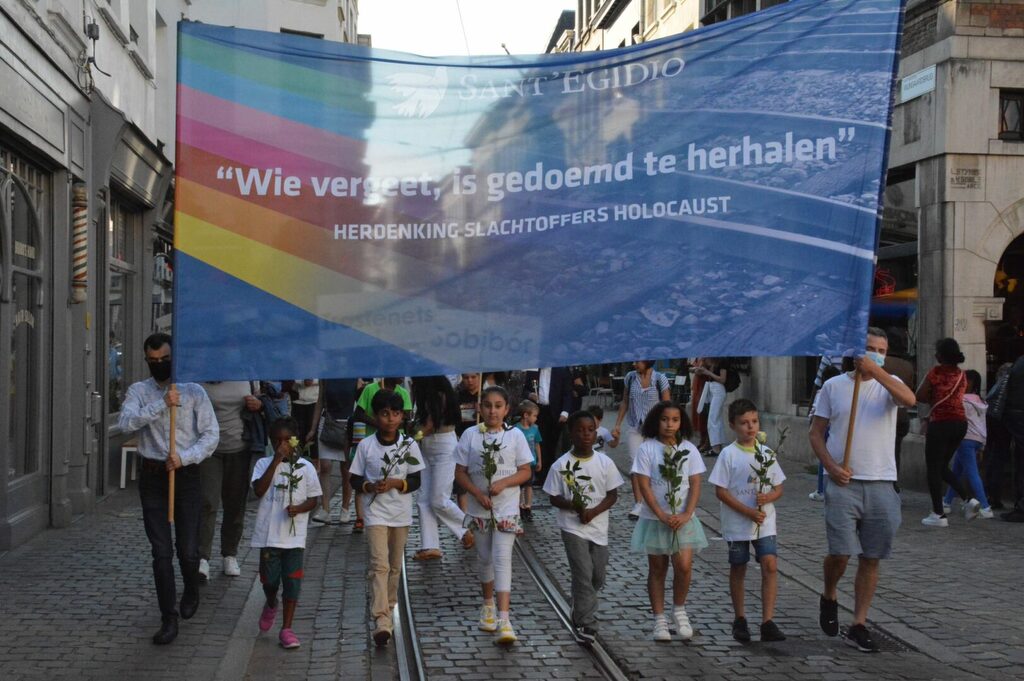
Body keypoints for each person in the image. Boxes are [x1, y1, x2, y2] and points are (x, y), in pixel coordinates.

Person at [809, 327, 916, 653]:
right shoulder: (833, 386)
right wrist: (830, 467)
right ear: (855, 352)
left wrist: (878, 372)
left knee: (871, 557)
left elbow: (909, 400)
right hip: (844, 483)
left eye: (881, 349)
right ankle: (829, 593)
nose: (875, 353)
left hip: (882, 482)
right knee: (840, 553)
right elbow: (816, 433)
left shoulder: (889, 385)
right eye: (869, 348)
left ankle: (859, 623)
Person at [117, 333, 219, 645]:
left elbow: (211, 435)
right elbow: (125, 424)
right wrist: (161, 405)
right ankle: (168, 617)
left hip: (185, 476)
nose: (159, 365)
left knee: (187, 550)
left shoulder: (194, 391)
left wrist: (185, 457)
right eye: (153, 361)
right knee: (161, 552)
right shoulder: (140, 391)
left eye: (165, 360)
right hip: (152, 478)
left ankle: (190, 586)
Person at [454, 386, 534, 644]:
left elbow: (525, 471)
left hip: (506, 509)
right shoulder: (470, 435)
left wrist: (504, 483)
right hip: (480, 510)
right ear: (480, 408)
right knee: (485, 557)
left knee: (502, 558)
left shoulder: (516, 437)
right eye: (487, 405)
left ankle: (504, 619)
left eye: (498, 406)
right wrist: (477, 493)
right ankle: (487, 605)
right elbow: (460, 472)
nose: (492, 411)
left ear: (507, 410)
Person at [349, 390, 424, 645]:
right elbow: (354, 478)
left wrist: (396, 483)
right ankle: (381, 618)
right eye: (384, 414)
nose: (390, 419)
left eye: (395, 414)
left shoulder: (409, 445)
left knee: (394, 566)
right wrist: (369, 487)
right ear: (375, 416)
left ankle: (389, 607)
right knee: (378, 565)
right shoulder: (366, 446)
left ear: (402, 416)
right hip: (375, 514)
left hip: (400, 514)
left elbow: (416, 480)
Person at [543, 410, 624, 643]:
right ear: (571, 433)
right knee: (582, 572)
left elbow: (612, 495)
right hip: (572, 527)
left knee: (597, 575)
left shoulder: (605, 463)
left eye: (590, 430)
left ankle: (579, 603)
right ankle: (587, 624)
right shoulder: (561, 465)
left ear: (596, 433)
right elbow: (553, 497)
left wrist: (594, 511)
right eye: (579, 430)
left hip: (599, 528)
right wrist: (574, 506)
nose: (585, 435)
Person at [709, 399, 786, 643]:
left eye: (754, 422)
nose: (750, 427)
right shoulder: (728, 454)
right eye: (744, 423)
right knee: (739, 566)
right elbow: (721, 492)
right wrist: (747, 511)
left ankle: (768, 620)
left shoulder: (766, 453)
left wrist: (769, 496)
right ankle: (740, 618)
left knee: (770, 564)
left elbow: (778, 486)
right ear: (733, 425)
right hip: (738, 523)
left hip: (765, 521)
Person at [631, 401, 707, 642]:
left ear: (681, 423)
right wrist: (661, 514)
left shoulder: (689, 449)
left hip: (683, 519)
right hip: (656, 518)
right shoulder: (647, 449)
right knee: (658, 568)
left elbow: (695, 483)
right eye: (665, 420)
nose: (669, 425)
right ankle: (659, 618)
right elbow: (644, 484)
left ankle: (679, 609)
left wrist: (686, 514)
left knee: (683, 566)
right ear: (657, 422)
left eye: (674, 420)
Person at [251, 417, 322, 650]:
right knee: (270, 580)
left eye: (286, 441)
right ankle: (271, 602)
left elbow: (314, 499)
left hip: (293, 539)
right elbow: (259, 490)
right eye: (277, 441)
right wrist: (276, 460)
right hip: (269, 536)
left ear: (295, 441)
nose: (282, 445)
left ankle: (287, 628)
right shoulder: (263, 464)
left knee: (292, 582)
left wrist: (299, 509)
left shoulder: (306, 467)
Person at [198, 380, 262, 580]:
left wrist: (257, 404)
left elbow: (261, 399)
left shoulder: (245, 376)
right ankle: (202, 557)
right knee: (207, 501)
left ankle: (230, 553)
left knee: (235, 503)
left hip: (239, 447)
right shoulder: (200, 378)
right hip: (208, 450)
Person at [410, 376, 472, 560]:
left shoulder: (438, 395)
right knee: (424, 499)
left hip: (444, 446)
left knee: (439, 498)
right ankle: (430, 545)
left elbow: (429, 425)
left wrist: (414, 437)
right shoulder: (428, 393)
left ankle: (466, 529)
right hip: (428, 446)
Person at [917, 338, 977, 526]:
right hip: (960, 423)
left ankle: (938, 513)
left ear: (940, 355)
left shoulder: (935, 373)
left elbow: (919, 394)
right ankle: (968, 498)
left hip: (941, 423)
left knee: (933, 468)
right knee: (942, 465)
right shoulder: (962, 375)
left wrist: (933, 399)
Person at [611, 361, 671, 519]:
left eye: (638, 360)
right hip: (635, 427)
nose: (634, 363)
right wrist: (617, 424)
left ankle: (656, 500)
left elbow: (668, 406)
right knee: (635, 464)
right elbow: (625, 402)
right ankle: (639, 503)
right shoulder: (630, 378)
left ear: (648, 360)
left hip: (654, 429)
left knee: (655, 464)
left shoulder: (660, 379)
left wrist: (669, 429)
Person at [943, 370, 993, 519]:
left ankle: (985, 507)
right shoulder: (981, 401)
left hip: (965, 439)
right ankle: (946, 502)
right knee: (957, 472)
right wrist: (982, 444)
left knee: (972, 473)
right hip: (977, 440)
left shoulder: (962, 401)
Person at [309, 378, 358, 524]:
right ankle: (325, 508)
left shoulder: (355, 377)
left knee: (346, 469)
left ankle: (345, 508)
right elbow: (320, 402)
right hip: (328, 422)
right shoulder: (326, 376)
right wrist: (313, 428)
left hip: (347, 424)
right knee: (325, 466)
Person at [524, 367, 576, 481]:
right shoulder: (533, 371)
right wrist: (530, 395)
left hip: (556, 413)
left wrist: (565, 412)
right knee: (540, 443)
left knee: (554, 444)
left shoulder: (561, 370)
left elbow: (567, 393)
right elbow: (525, 390)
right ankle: (541, 475)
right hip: (538, 412)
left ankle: (553, 474)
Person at [515, 399, 543, 521]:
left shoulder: (535, 429)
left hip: (531, 462)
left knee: (529, 485)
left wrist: (539, 460)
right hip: (519, 463)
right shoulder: (516, 429)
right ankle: (520, 506)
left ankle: (528, 506)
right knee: (519, 486)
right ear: (526, 415)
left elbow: (537, 444)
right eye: (534, 416)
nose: (536, 419)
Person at [695, 358, 728, 456]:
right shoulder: (712, 361)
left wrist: (708, 372)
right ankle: (718, 446)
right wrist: (703, 370)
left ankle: (716, 448)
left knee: (712, 419)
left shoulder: (722, 361)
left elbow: (722, 379)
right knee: (716, 419)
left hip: (718, 390)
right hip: (712, 388)